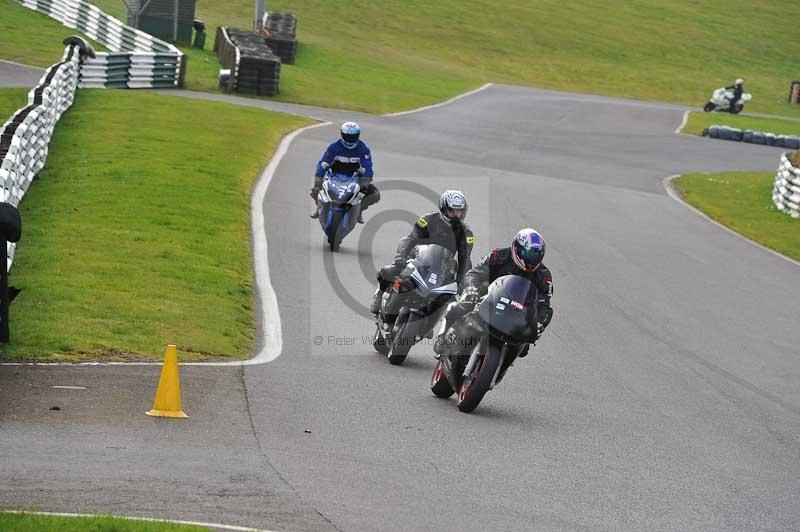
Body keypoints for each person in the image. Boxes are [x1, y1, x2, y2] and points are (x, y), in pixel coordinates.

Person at [433, 228, 553, 357]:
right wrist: (472, 287)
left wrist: (541, 319)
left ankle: (499, 368)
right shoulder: (499, 256)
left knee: (523, 348)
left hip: (516, 308)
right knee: (468, 302)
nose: (531, 259)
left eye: (535, 255)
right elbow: (476, 273)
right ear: (516, 248)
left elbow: (544, 301)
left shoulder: (543, 275)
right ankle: (444, 334)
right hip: (489, 295)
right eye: (527, 254)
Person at [369, 190, 475, 316]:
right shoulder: (428, 220)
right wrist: (400, 256)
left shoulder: (466, 233)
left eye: (459, 211)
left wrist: (461, 281)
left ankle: (430, 320)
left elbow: (465, 259)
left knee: (450, 297)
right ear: (443, 209)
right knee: (390, 271)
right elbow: (410, 239)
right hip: (419, 257)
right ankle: (379, 293)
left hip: (443, 266)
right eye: (452, 211)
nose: (456, 215)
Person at [310, 122, 378, 223]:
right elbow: (323, 163)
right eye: (347, 136)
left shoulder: (364, 149)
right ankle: (320, 209)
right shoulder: (333, 147)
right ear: (342, 135)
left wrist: (365, 182)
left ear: (358, 136)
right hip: (333, 177)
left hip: (354, 179)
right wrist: (318, 181)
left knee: (375, 194)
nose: (350, 139)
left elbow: (368, 167)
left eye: (353, 137)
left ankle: (359, 211)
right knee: (315, 191)